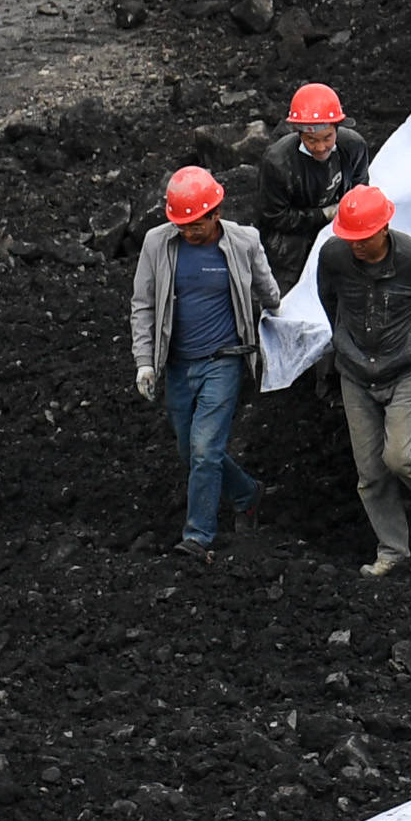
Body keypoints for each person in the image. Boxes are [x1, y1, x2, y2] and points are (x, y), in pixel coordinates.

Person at [129, 165, 282, 560]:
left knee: (204, 449)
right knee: (190, 451)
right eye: (182, 224)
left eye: (197, 224)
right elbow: (143, 304)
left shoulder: (244, 242)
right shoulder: (157, 244)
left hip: (224, 361)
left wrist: (281, 334)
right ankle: (248, 494)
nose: (190, 231)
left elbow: (269, 294)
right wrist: (145, 362)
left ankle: (198, 536)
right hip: (179, 365)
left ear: (217, 212)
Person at [313, 185, 411, 576]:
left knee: (401, 456)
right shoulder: (333, 256)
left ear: (384, 228)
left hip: (406, 368)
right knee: (371, 472)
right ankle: (393, 549)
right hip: (356, 371)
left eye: (363, 237)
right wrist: (347, 343)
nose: (356, 245)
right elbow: (329, 300)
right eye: (350, 238)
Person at [259, 83, 374, 285]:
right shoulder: (278, 162)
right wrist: (323, 214)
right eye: (311, 140)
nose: (320, 148)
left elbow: (360, 188)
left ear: (338, 129)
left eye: (327, 138)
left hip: (339, 228)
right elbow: (274, 217)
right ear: (298, 133)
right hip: (293, 239)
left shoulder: (353, 147)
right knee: (289, 297)